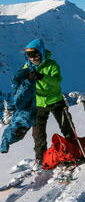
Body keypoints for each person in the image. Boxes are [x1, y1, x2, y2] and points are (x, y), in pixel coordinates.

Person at [22, 39, 75, 169]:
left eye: (35, 54)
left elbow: (57, 80)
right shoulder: (27, 67)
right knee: (38, 132)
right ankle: (41, 158)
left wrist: (41, 77)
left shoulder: (52, 65)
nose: (33, 58)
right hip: (38, 103)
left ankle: (73, 149)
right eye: (29, 55)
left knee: (66, 126)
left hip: (55, 100)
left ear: (41, 53)